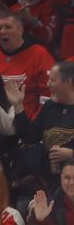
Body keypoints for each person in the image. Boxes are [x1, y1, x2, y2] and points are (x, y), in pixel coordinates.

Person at [0, 10, 55, 120]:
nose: (3, 31)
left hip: (27, 123)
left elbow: (49, 96)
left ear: (20, 30)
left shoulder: (40, 55)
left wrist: (35, 123)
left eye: (8, 27)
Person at [8, 60, 74, 188]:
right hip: (49, 181)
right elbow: (30, 137)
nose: (48, 84)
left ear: (68, 82)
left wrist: (71, 154)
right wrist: (18, 106)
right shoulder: (50, 106)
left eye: (53, 81)